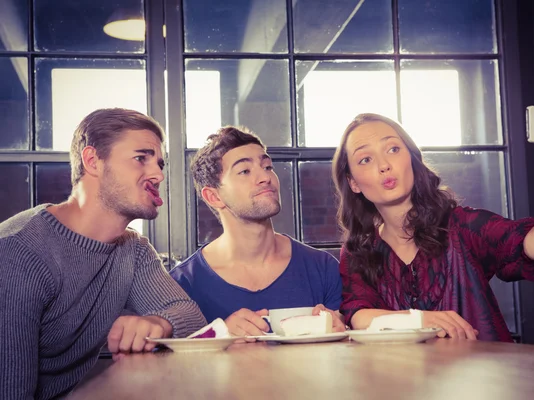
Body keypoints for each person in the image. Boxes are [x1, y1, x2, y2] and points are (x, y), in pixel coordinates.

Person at [332, 105, 534, 342]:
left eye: (393, 149)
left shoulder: (462, 225)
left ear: (412, 159)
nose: (384, 165)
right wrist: (420, 320)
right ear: (353, 181)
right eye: (365, 159)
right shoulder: (358, 251)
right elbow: (359, 317)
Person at [0, 108, 207, 400]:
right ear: (92, 161)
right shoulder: (17, 252)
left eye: (159, 163)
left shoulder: (133, 249)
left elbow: (192, 317)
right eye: (141, 158)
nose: (158, 174)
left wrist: (159, 323)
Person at [170, 126, 345, 337]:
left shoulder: (323, 269)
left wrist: (340, 330)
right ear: (214, 197)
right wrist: (219, 336)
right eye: (244, 171)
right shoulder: (181, 285)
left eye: (268, 166)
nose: (265, 177)